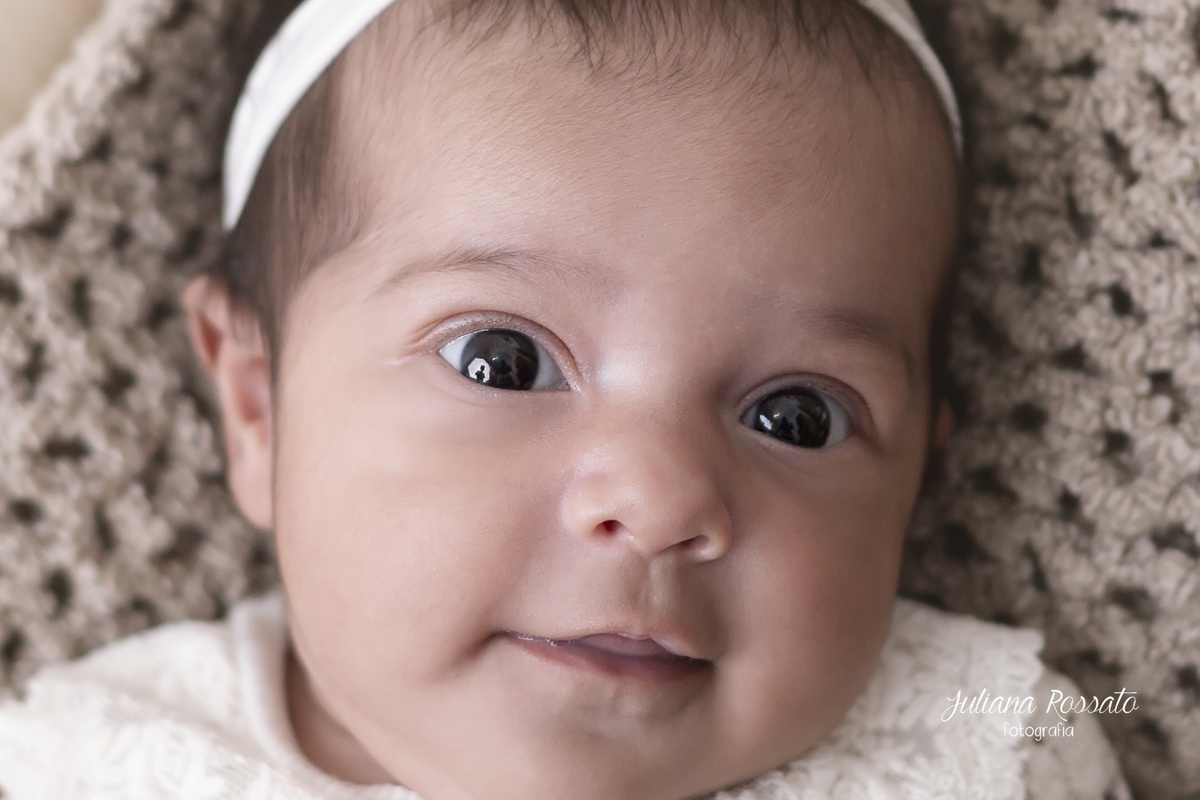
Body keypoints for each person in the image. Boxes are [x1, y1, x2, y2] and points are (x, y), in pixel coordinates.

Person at [0, 0, 1132, 797]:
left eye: (797, 414)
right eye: (501, 358)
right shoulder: (88, 761)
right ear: (257, 402)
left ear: (915, 479)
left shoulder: (990, 739)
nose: (656, 498)